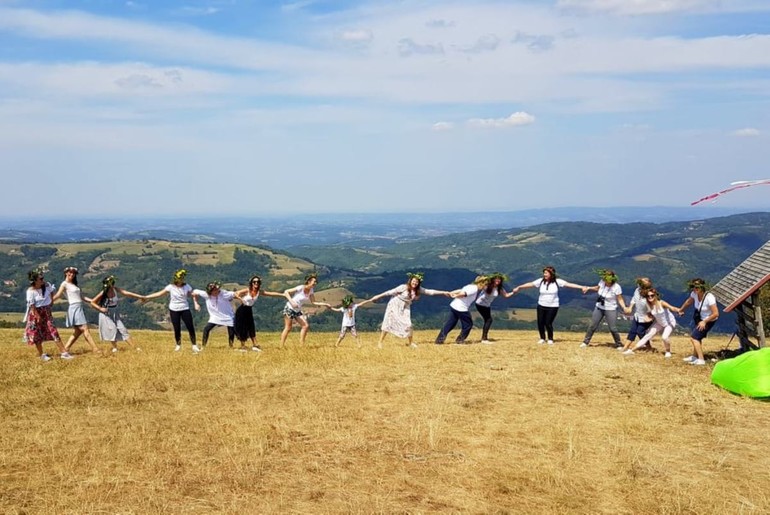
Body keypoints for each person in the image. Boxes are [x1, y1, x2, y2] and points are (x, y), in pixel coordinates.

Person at [366, 272, 451, 348]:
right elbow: (389, 292)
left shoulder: (419, 289)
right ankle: (380, 342)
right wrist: (377, 296)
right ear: (410, 281)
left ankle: (410, 343)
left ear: (418, 283)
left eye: (416, 282)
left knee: (408, 324)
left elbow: (430, 292)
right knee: (388, 322)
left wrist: (444, 292)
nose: (415, 283)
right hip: (395, 304)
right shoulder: (403, 287)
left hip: (405, 306)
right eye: (413, 281)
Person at [513, 266, 588, 345]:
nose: (544, 274)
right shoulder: (540, 281)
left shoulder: (557, 281)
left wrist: (581, 287)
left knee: (548, 322)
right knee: (540, 322)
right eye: (544, 273)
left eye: (546, 273)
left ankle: (550, 339)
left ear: (551, 274)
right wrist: (519, 287)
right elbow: (530, 284)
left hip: (553, 306)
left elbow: (569, 284)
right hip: (541, 305)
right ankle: (542, 338)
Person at [143, 269, 201, 353]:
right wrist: (146, 297)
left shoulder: (187, 286)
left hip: (185, 308)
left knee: (190, 327)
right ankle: (178, 345)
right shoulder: (170, 287)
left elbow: (193, 295)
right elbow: (159, 294)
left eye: (182, 278)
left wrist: (196, 303)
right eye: (180, 278)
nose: (181, 280)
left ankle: (194, 345)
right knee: (177, 328)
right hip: (174, 309)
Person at [53, 267, 104, 356]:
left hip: (79, 307)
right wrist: (49, 302)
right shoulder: (64, 284)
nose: (72, 274)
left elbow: (82, 297)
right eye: (70, 272)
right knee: (85, 329)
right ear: (66, 273)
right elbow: (58, 295)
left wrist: (92, 300)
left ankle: (66, 349)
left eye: (73, 273)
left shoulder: (74, 285)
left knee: (78, 332)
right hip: (74, 307)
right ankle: (95, 349)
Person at [23, 269, 72, 361]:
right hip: (36, 313)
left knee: (53, 331)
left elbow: (51, 291)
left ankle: (64, 352)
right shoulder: (30, 291)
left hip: (46, 312)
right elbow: (32, 305)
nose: (42, 280)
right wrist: (37, 316)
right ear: (35, 281)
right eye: (40, 279)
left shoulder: (46, 286)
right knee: (36, 334)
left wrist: (51, 301)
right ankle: (42, 354)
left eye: (42, 278)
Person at [89, 275, 144, 353]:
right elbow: (92, 302)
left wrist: (140, 296)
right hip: (106, 314)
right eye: (110, 283)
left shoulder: (115, 289)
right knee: (112, 328)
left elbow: (126, 293)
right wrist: (100, 309)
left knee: (123, 329)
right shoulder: (103, 292)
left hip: (115, 312)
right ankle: (115, 347)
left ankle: (135, 348)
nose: (112, 284)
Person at [623, 288, 682, 358]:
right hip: (659, 323)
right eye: (648, 296)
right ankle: (631, 350)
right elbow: (650, 314)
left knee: (664, 337)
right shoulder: (649, 305)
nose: (650, 297)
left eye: (652, 295)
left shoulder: (661, 303)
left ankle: (668, 352)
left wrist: (679, 310)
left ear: (655, 296)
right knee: (647, 336)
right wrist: (647, 318)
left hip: (669, 323)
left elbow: (672, 308)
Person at [233, 275, 283, 352]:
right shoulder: (247, 290)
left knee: (251, 327)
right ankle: (243, 345)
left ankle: (255, 344)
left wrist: (282, 295)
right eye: (254, 282)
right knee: (242, 327)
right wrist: (240, 299)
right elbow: (236, 293)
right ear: (251, 283)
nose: (256, 283)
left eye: (258, 282)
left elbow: (271, 293)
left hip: (249, 310)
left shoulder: (259, 292)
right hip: (242, 310)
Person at [580, 269, 628, 348]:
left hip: (610, 308)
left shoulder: (616, 287)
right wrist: (588, 288)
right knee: (593, 325)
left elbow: (619, 298)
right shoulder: (602, 282)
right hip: (599, 307)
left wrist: (624, 307)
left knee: (612, 328)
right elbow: (597, 288)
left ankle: (618, 344)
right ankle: (585, 342)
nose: (605, 280)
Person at [436, 275, 489, 345]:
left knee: (450, 323)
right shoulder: (474, 289)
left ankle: (439, 340)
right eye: (486, 284)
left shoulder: (470, 286)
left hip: (454, 306)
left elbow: (460, 290)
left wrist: (451, 292)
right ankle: (460, 340)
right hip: (461, 308)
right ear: (482, 283)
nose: (487, 286)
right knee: (468, 324)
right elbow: (463, 293)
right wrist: (455, 295)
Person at [678, 278, 719, 366]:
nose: (695, 289)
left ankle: (701, 359)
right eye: (693, 286)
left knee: (694, 338)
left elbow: (716, 313)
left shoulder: (709, 297)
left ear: (702, 287)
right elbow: (689, 302)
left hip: (709, 320)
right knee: (697, 337)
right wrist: (681, 310)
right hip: (699, 317)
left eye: (697, 287)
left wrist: (704, 321)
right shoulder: (694, 294)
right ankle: (694, 356)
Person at [279, 273, 328, 345]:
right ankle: (281, 345)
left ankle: (301, 344)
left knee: (305, 326)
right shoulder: (301, 287)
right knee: (288, 327)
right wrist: (292, 302)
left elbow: (313, 302)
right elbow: (286, 292)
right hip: (289, 308)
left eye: (315, 282)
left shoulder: (311, 290)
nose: (315, 283)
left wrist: (324, 304)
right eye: (314, 281)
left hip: (297, 310)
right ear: (309, 282)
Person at [192, 281, 236, 349]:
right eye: (214, 290)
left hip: (227, 316)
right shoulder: (206, 295)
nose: (216, 291)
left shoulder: (223, 294)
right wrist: (196, 303)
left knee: (231, 332)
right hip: (215, 317)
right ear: (210, 292)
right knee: (206, 329)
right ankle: (203, 346)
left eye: (217, 290)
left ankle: (231, 346)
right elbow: (195, 291)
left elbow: (235, 294)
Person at [475, 273, 514, 344]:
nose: (498, 280)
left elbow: (506, 295)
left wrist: (515, 291)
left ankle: (484, 338)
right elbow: (478, 287)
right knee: (489, 320)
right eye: (496, 279)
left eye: (499, 279)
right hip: (480, 304)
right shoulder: (487, 285)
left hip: (487, 305)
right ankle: (484, 339)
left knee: (488, 320)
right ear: (493, 279)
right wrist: (479, 279)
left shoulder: (500, 288)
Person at [620, 277, 654, 352]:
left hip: (646, 317)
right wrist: (630, 308)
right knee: (632, 331)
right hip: (637, 315)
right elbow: (634, 299)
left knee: (640, 332)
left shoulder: (650, 293)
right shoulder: (637, 290)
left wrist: (650, 315)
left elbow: (654, 305)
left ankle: (649, 347)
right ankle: (625, 347)